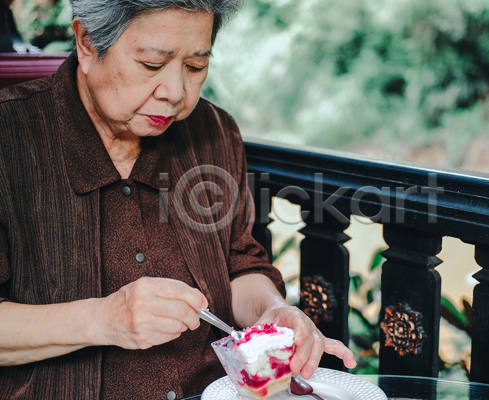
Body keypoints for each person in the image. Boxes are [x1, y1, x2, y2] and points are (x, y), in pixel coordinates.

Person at [0, 0, 356, 398]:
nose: (175, 93)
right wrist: (105, 319)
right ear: (86, 43)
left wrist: (272, 312)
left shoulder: (214, 132)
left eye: (195, 67)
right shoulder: (10, 137)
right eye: (152, 65)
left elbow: (239, 267)